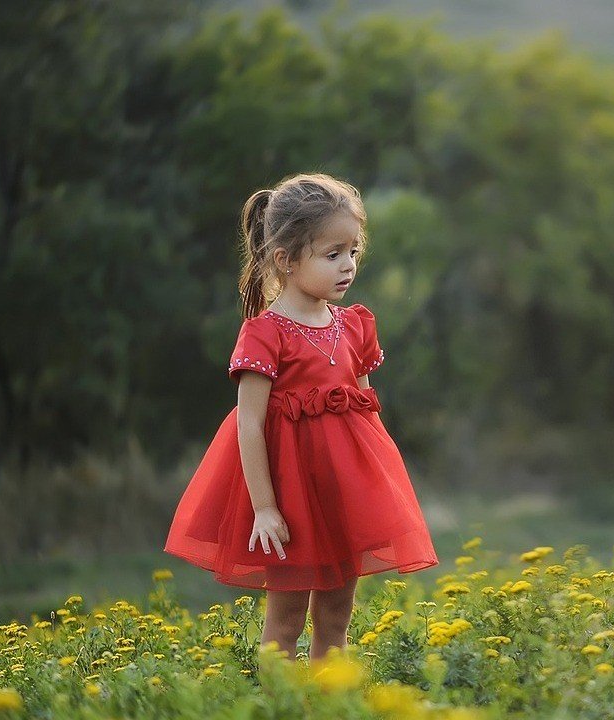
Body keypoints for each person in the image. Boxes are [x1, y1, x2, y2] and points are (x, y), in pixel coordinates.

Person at [165, 173, 437, 660]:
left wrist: (376, 491)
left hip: (341, 497)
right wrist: (266, 507)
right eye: (332, 255)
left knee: (336, 616)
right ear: (286, 260)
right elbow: (248, 426)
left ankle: (328, 703)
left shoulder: (354, 325)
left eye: (353, 251)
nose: (348, 265)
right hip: (289, 501)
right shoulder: (265, 334)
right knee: (285, 622)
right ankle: (285, 707)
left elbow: (366, 412)